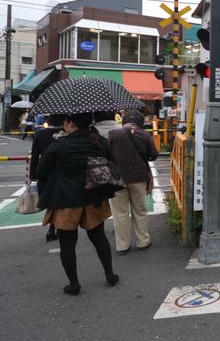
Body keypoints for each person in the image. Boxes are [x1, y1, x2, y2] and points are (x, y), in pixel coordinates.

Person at [35, 112, 119, 295]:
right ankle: (110, 274)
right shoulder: (98, 142)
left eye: (65, 121)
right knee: (98, 238)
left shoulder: (59, 145)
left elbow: (40, 172)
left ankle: (74, 284)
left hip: (66, 201)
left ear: (71, 123)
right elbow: (113, 163)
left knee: (67, 244)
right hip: (94, 197)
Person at [108, 110, 158, 254]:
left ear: (124, 121)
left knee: (120, 213)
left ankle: (122, 246)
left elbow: (106, 153)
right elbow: (154, 155)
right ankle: (143, 241)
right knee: (139, 210)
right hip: (139, 177)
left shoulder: (113, 134)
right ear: (140, 122)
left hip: (117, 179)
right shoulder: (144, 135)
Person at [29, 114, 64, 242]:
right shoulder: (65, 133)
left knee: (51, 202)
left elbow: (34, 157)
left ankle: (52, 228)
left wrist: (32, 174)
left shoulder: (40, 135)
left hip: (45, 172)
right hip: (62, 171)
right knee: (61, 201)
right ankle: (58, 228)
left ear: (48, 121)